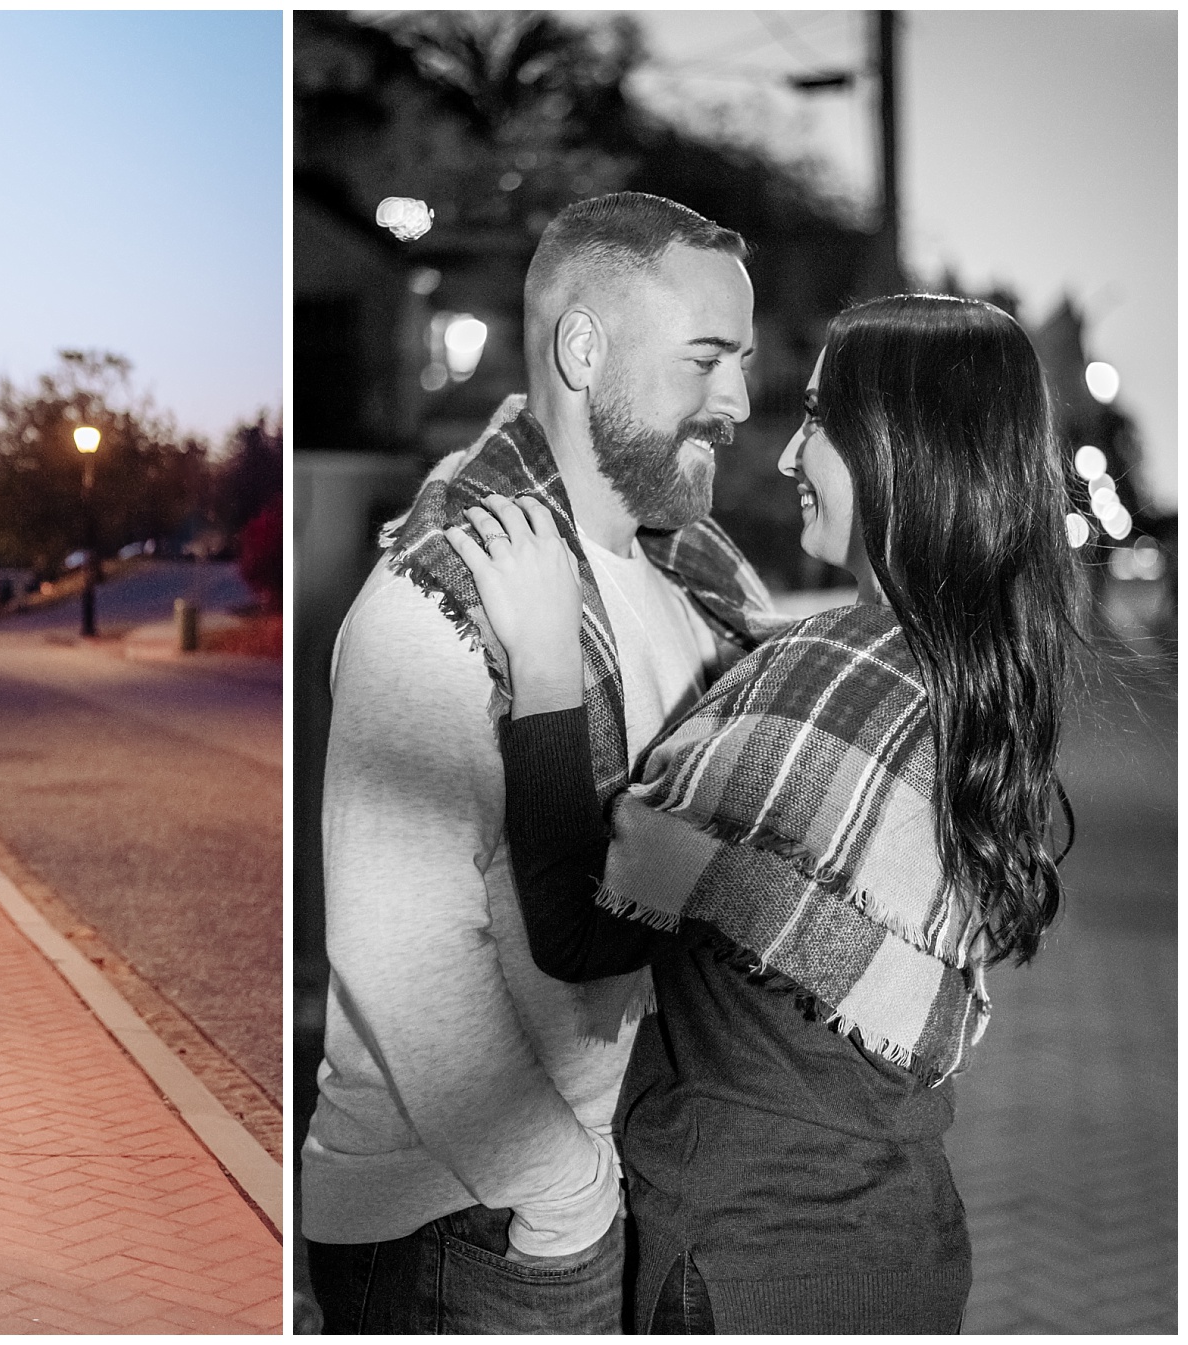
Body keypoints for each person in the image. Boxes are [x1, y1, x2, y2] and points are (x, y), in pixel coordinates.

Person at [449, 293, 1083, 1332]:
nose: (790, 453)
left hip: (750, 1263)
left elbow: (575, 925)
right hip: (897, 1242)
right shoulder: (966, 678)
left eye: (825, 419)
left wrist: (549, 669)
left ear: (903, 447)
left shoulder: (829, 677)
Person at [300, 192, 783, 1333]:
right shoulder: (437, 603)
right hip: (462, 1226)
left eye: (744, 362)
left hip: (594, 1188)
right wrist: (564, 1198)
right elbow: (400, 957)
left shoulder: (695, 585)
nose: (740, 402)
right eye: (706, 359)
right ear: (584, 348)